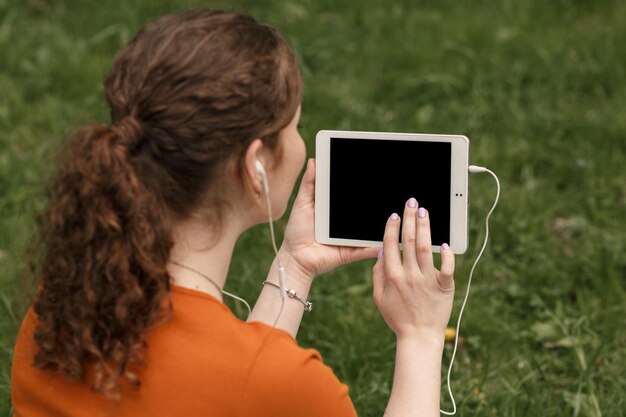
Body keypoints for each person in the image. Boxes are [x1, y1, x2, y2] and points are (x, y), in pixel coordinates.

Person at [11, 8, 455, 417]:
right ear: (255, 163)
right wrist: (420, 335)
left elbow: (225, 388)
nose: (302, 142)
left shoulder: (61, 307)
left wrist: (294, 267)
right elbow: (247, 384)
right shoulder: (290, 385)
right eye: (295, 126)